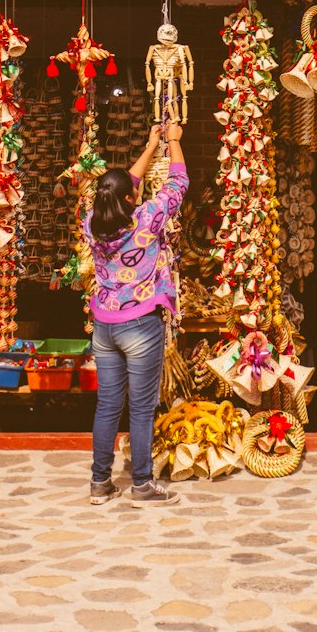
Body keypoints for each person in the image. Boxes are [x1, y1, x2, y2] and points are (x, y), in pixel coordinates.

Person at [87, 121, 188, 505]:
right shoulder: (148, 219)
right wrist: (174, 141)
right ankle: (142, 484)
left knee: (108, 404)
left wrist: (149, 146)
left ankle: (100, 483)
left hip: (104, 326)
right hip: (141, 324)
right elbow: (178, 182)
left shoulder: (92, 224)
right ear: (131, 199)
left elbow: (122, 186)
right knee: (142, 407)